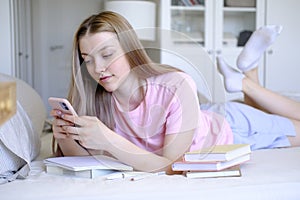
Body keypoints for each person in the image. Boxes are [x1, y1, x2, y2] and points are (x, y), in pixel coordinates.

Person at [50, 11, 300, 174]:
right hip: (193, 118)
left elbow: (170, 164)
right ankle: (248, 72)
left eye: (107, 55)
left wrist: (108, 139)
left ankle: (247, 83)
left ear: (130, 49)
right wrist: (66, 138)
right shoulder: (97, 98)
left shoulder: (175, 84)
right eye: (88, 60)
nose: (98, 68)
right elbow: (89, 160)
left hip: (230, 127)